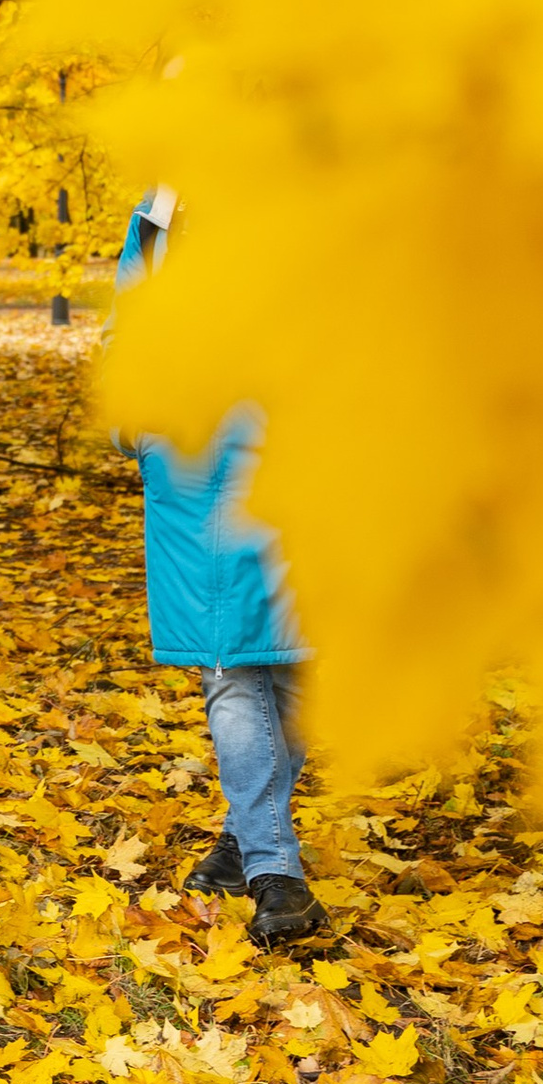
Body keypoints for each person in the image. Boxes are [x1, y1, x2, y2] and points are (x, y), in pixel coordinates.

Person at [116, 188, 325, 947]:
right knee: (229, 666)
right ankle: (277, 873)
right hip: (195, 467)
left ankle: (243, 840)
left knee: (297, 658)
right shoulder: (158, 217)